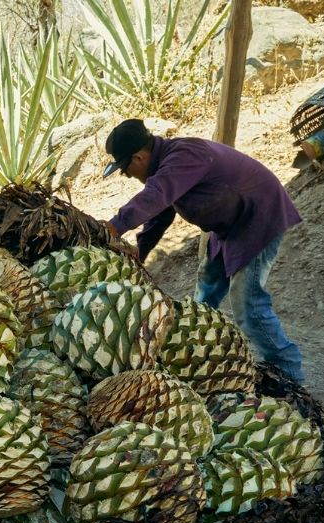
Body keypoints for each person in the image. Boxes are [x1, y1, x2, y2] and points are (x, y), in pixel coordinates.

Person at [101, 118, 306, 383]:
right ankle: (194, 352)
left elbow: (155, 196)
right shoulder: (167, 166)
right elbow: (159, 216)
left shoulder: (184, 156)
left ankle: (290, 374)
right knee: (207, 288)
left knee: (248, 303)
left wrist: (113, 228)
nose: (128, 176)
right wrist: (138, 253)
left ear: (138, 157)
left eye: (125, 170)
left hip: (258, 217)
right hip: (229, 226)